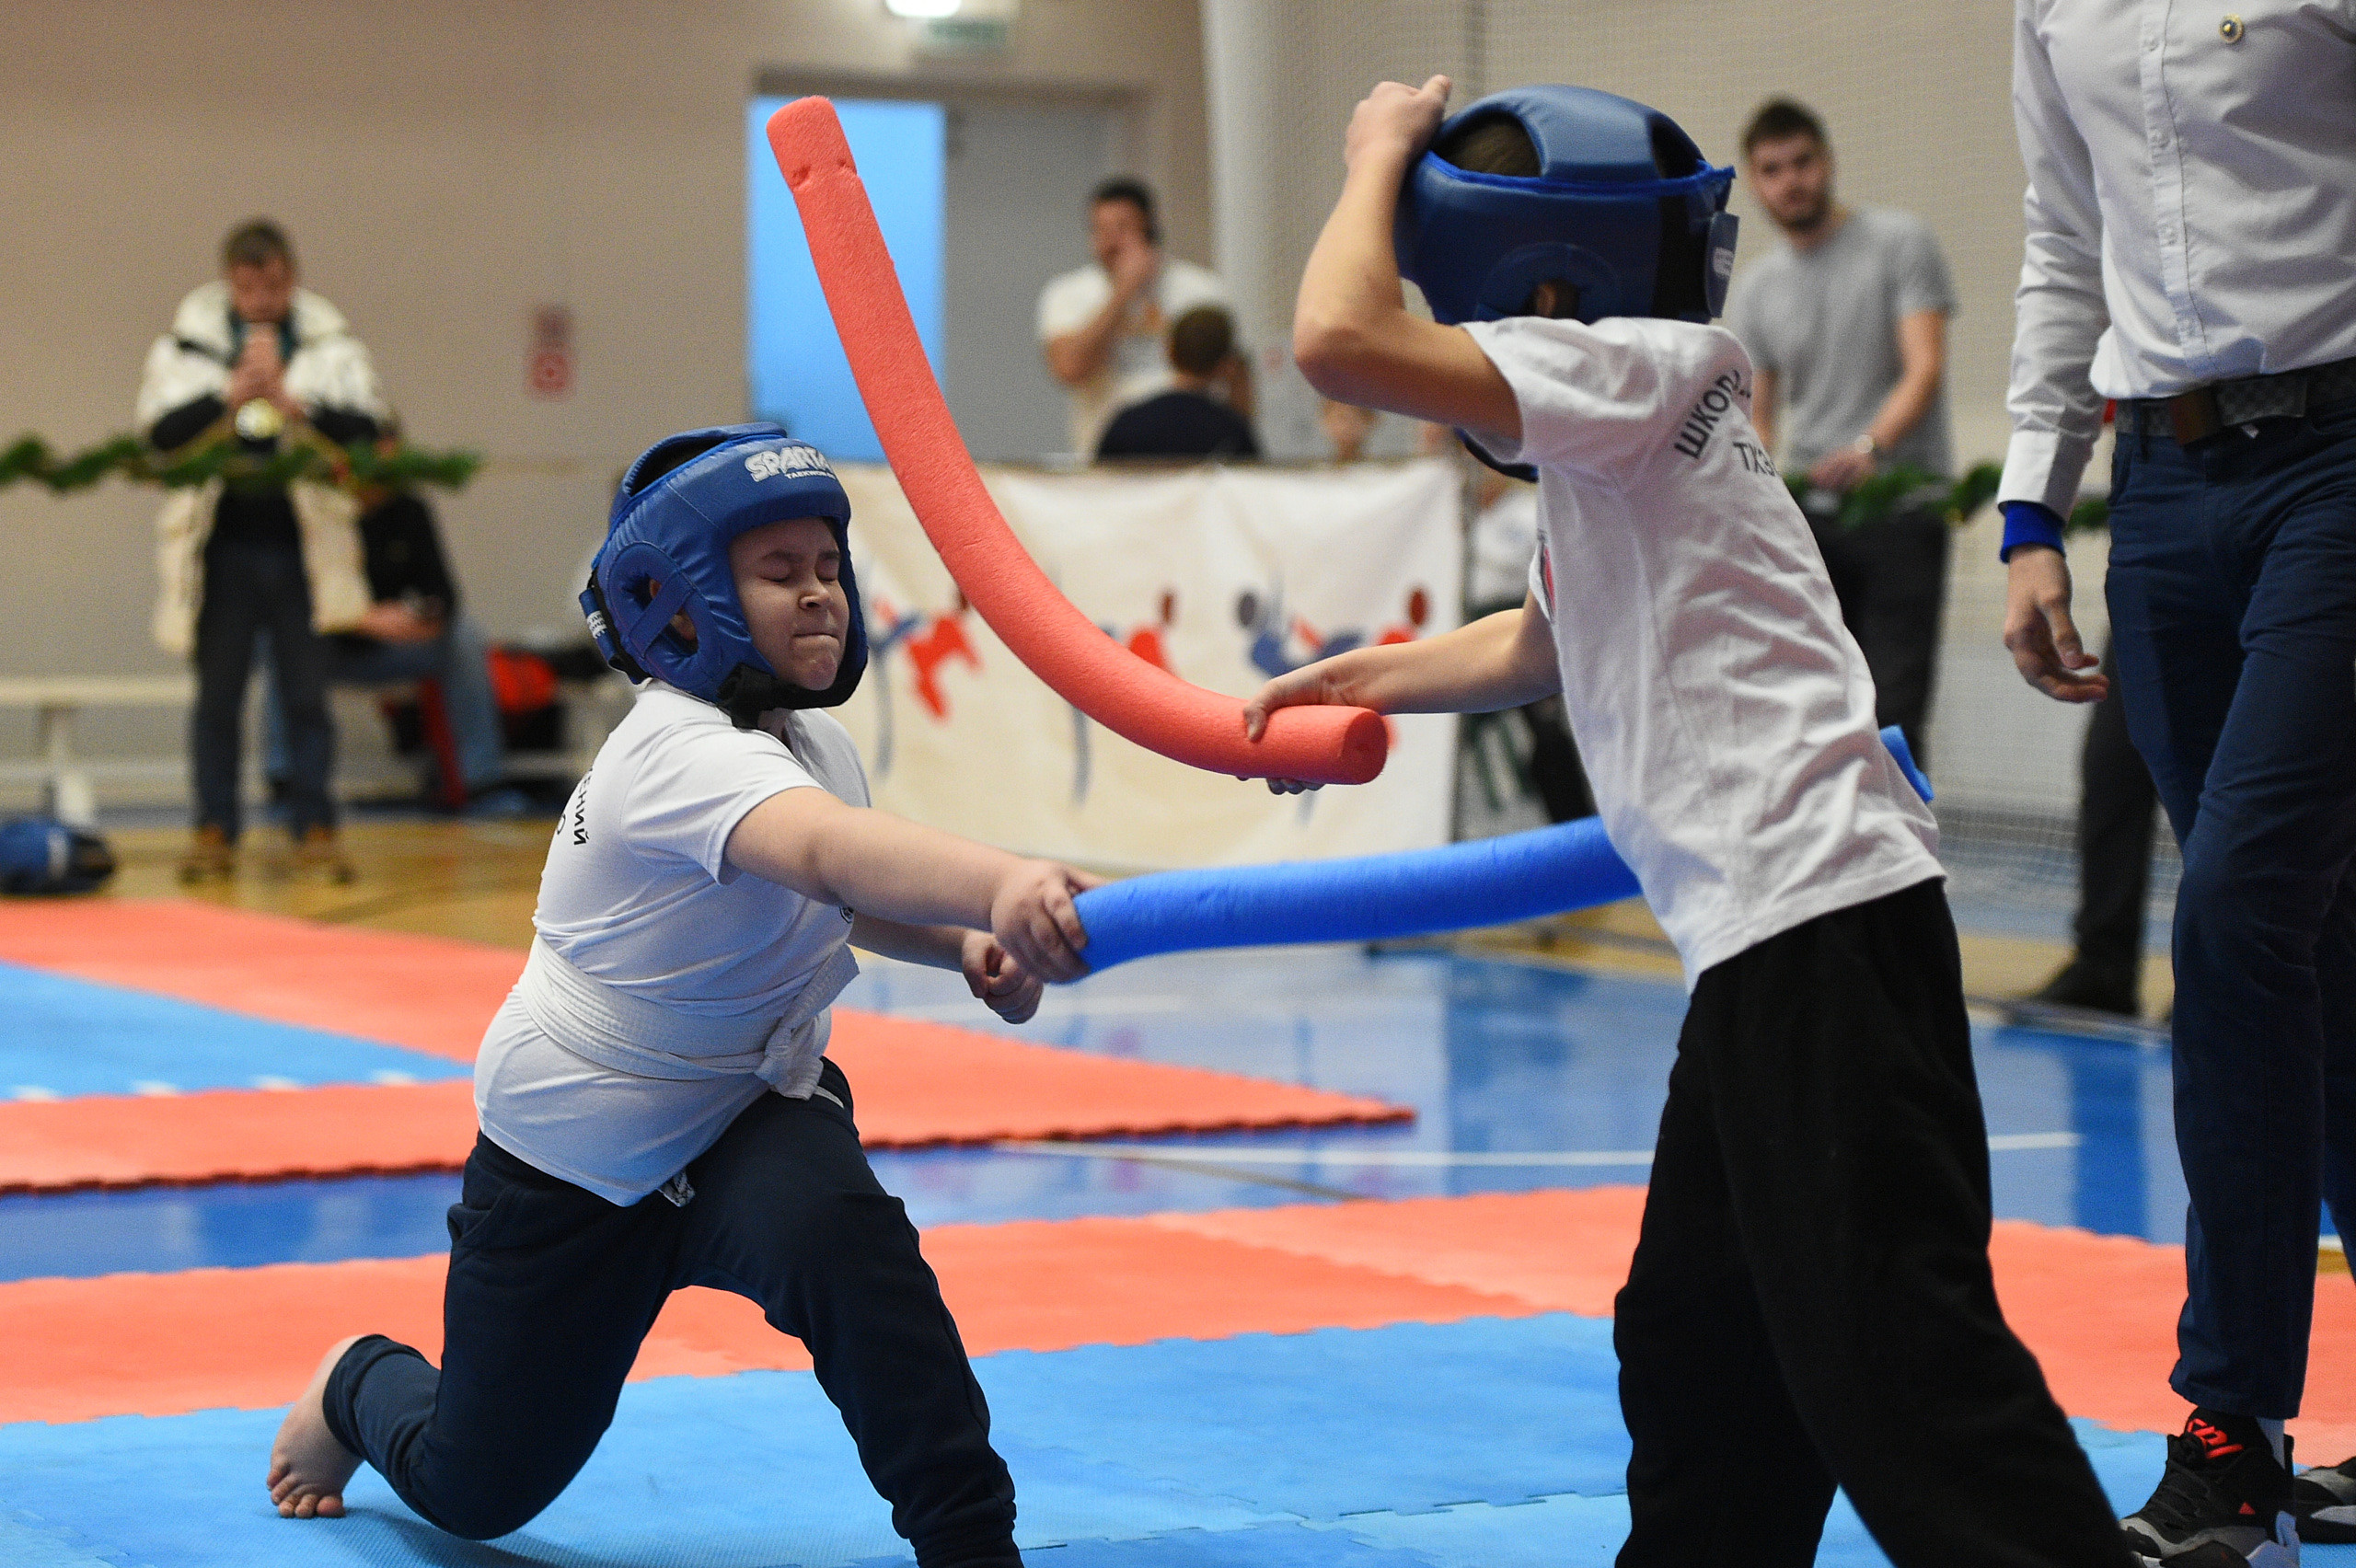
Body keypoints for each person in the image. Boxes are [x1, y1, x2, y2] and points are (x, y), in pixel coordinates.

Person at [1257, 75, 2134, 1567]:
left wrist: (1373, 151)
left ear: (1540, 288)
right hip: (1777, 937)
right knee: (1699, 1338)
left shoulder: (1634, 366)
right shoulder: (1635, 424)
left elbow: (1337, 343)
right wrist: (1361, 680)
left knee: (1897, 1359)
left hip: (1820, 924)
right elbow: (1540, 639)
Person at [264, 425, 1097, 1567]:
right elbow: (828, 858)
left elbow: (835, 901)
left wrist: (960, 942)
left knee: (850, 1250)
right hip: (576, 1159)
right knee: (478, 1486)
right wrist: (1006, 882)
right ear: (687, 594)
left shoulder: (806, 748)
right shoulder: (673, 750)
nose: (817, 597)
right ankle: (358, 1384)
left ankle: (969, 1543)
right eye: (777, 573)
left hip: (746, 1110)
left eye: (824, 569)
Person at [1997, 3, 2356, 1558]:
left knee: (2232, 918)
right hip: (2159, 493)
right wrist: (2030, 504)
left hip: (2339, 465)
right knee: (2316, 956)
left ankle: (2229, 1433)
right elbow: (2061, 235)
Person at [137, 219, 387, 883]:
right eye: (248, 286)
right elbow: (159, 435)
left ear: (291, 278)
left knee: (307, 695)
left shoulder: (331, 346)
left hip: (301, 546)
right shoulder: (186, 347)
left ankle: (316, 828)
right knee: (217, 698)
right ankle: (213, 827)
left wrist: (291, 402)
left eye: (273, 283)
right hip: (221, 548)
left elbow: (369, 429)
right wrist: (231, 395)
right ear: (229, 283)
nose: (261, 298)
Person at [1724, 98, 1958, 763]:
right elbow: (1756, 419)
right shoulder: (1757, 289)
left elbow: (1924, 370)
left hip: (1904, 509)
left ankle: (1909, 866)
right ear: (1756, 180)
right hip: (1810, 523)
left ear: (1826, 162)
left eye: (1801, 162)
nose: (1790, 180)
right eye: (1771, 169)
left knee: (1895, 714)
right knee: (1817, 706)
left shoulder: (1900, 242)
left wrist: (1868, 448)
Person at [261, 448, 512, 810]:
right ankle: (286, 779)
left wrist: (414, 619)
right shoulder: (316, 511)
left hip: (396, 643)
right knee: (279, 643)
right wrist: (361, 618)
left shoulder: (410, 510)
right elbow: (292, 601)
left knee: (464, 637)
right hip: (326, 644)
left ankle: (481, 780)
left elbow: (443, 596)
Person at [1037, 178, 1249, 457]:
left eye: (1122, 228)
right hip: (1105, 456)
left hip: (1196, 457)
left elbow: (1237, 372)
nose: (1110, 241)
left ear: (1149, 226)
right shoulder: (1067, 293)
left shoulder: (1203, 290)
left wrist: (1242, 440)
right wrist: (1124, 292)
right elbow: (1069, 369)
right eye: (1100, 230)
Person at [1094, 306, 1260, 461]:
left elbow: (1097, 481)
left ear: (1169, 351)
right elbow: (1251, 479)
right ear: (1225, 365)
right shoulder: (1230, 432)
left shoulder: (1128, 422)